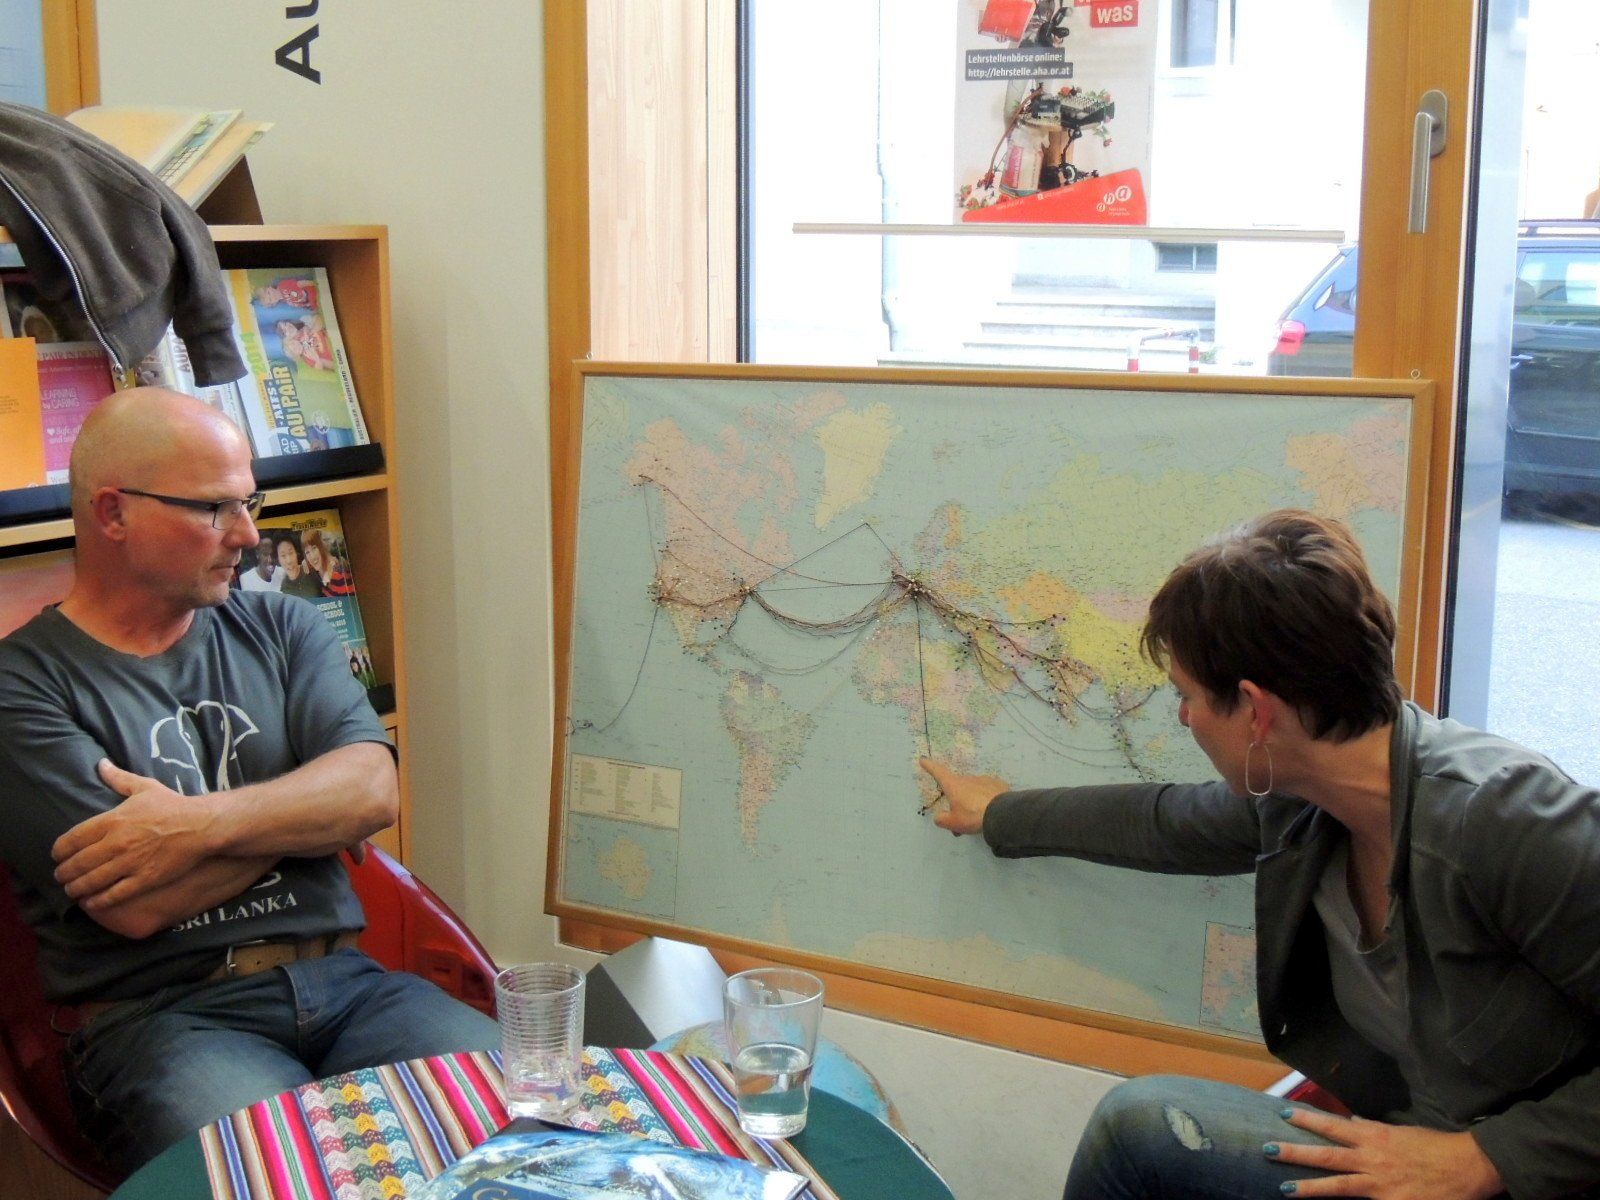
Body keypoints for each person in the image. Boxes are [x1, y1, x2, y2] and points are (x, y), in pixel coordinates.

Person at [921, 509, 1600, 1200]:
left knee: (1135, 1126)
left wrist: (1484, 1159)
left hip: (1517, 1177)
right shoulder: (1302, 801)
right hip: (1398, 1147)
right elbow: (1166, 823)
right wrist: (999, 813)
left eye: (1186, 695)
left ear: (1255, 710)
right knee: (1144, 1131)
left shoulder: (1507, 820)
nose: (1184, 717)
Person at [0, 388, 498, 1171]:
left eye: (249, 502)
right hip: (163, 1019)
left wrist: (187, 827)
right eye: (214, 508)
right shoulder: (21, 683)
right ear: (113, 512)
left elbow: (371, 792)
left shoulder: (284, 624)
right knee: (287, 1174)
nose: (249, 534)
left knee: (531, 1123)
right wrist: (308, 818)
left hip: (352, 985)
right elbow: (136, 903)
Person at [302, 527, 356, 596]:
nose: (312, 556)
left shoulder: (340, 576)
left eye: (314, 548)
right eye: (307, 552)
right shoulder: (313, 571)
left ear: (323, 545)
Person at [274, 532, 324, 600]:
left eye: (291, 553)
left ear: (296, 553)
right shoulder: (284, 589)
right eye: (283, 556)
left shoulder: (311, 569)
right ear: (278, 559)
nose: (289, 560)